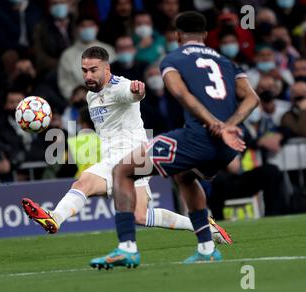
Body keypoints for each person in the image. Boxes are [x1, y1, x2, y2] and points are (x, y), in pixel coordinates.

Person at [21, 46, 232, 247]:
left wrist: (137, 90)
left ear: (107, 68)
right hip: (133, 159)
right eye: (84, 70)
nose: (88, 76)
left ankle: (55, 218)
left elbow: (133, 93)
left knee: (83, 183)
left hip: (128, 157)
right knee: (140, 215)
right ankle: (204, 224)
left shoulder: (121, 86)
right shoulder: (90, 95)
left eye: (94, 70)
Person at [95, 12, 259, 268]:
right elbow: (252, 98)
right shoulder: (227, 63)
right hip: (228, 145)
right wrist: (229, 126)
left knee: (123, 170)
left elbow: (181, 94)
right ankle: (206, 248)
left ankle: (126, 248)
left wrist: (214, 124)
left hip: (198, 138)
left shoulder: (173, 59)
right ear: (205, 35)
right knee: (184, 175)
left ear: (178, 35)